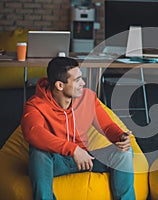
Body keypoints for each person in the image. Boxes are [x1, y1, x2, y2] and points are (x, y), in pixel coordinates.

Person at [21, 57, 135, 200]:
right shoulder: (35, 105)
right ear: (60, 86)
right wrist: (73, 149)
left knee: (124, 152)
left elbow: (107, 126)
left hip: (86, 159)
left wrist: (120, 137)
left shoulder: (88, 97)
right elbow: (33, 132)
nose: (83, 83)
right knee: (38, 152)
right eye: (77, 80)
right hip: (56, 162)